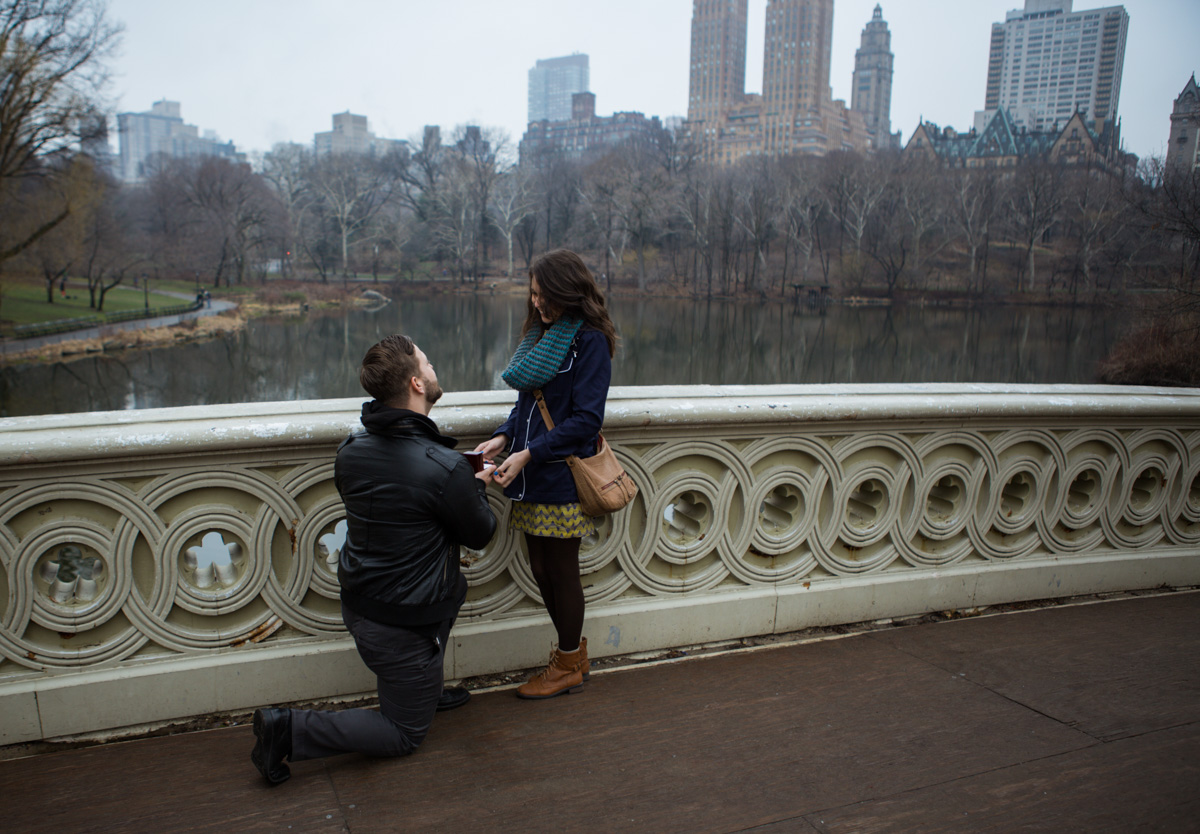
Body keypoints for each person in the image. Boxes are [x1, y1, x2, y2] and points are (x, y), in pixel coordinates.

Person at [250, 334, 497, 785]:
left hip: (361, 604)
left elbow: (405, 504)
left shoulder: (352, 450)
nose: (434, 366)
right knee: (403, 733)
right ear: (416, 384)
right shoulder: (444, 468)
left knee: (452, 590)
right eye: (428, 362)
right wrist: (473, 483)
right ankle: (287, 729)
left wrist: (458, 476)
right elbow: (480, 533)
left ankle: (421, 690)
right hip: (403, 626)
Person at [474, 249, 617, 700]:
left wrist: (529, 454)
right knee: (540, 569)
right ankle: (572, 656)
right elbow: (528, 404)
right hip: (532, 474)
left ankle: (568, 661)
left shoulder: (589, 340)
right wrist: (502, 438)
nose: (536, 303)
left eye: (543, 294)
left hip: (561, 477)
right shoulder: (541, 335)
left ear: (566, 291)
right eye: (533, 294)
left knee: (561, 571)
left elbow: (586, 420)